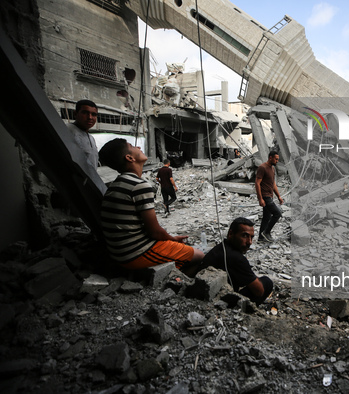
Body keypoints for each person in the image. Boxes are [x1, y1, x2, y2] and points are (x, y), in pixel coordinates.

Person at [99, 138, 204, 276]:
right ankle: (178, 282)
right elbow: (154, 232)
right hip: (135, 253)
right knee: (200, 256)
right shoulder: (139, 185)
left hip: (119, 251)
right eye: (132, 146)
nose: (138, 147)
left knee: (181, 251)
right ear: (129, 158)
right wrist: (172, 238)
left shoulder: (114, 185)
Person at [199, 217, 273, 305]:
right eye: (245, 236)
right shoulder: (237, 258)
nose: (249, 242)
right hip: (220, 303)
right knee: (267, 282)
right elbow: (259, 291)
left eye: (251, 237)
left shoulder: (220, 247)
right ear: (231, 234)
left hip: (206, 295)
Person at [255, 151, 284, 242]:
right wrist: (260, 199)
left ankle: (261, 237)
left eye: (278, 159)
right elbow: (257, 183)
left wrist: (278, 196)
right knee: (277, 213)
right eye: (276, 159)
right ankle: (266, 232)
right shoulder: (262, 168)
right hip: (265, 196)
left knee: (266, 217)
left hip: (270, 196)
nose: (277, 161)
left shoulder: (272, 169)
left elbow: (273, 184)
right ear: (270, 157)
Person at [68, 99, 99, 167]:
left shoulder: (91, 138)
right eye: (85, 113)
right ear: (75, 114)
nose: (90, 117)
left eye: (93, 114)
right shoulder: (68, 132)